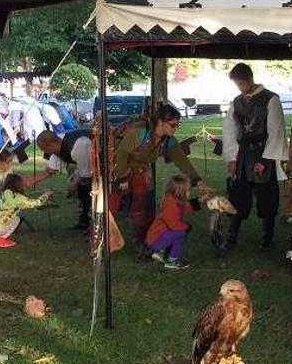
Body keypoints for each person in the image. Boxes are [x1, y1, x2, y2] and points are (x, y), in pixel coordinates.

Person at [110, 103, 204, 252]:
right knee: (111, 206)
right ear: (160, 122)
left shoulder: (168, 140)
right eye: (173, 125)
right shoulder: (139, 132)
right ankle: (106, 239)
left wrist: (196, 179)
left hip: (140, 169)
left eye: (177, 125)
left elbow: (181, 159)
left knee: (140, 207)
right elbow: (121, 154)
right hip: (117, 168)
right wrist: (122, 178)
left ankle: (142, 243)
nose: (175, 128)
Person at [221, 63, 288, 250]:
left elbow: (276, 131)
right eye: (237, 84)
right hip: (243, 156)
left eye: (242, 83)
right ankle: (231, 238)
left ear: (250, 79)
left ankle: (267, 240)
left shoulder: (271, 99)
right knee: (237, 197)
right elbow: (229, 130)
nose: (240, 88)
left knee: (267, 199)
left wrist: (265, 161)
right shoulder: (236, 102)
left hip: (263, 153)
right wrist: (232, 158)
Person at [35, 128, 93, 232]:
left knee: (86, 189)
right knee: (80, 189)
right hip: (85, 167)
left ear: (50, 145)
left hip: (99, 164)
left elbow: (86, 173)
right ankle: (84, 220)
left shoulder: (79, 145)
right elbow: (50, 171)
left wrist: (74, 184)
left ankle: (90, 222)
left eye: (43, 149)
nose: (44, 152)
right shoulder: (57, 147)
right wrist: (27, 181)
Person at [0, 174, 52, 248]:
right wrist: (46, 195)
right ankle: (1, 239)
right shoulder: (19, 198)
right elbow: (36, 203)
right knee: (16, 219)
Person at [146, 175, 201, 270]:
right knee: (180, 233)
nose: (189, 192)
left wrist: (200, 201)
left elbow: (187, 209)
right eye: (188, 190)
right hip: (155, 239)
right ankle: (171, 260)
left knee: (180, 232)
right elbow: (174, 225)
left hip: (159, 236)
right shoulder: (172, 204)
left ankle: (162, 252)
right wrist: (187, 226)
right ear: (180, 191)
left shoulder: (176, 200)